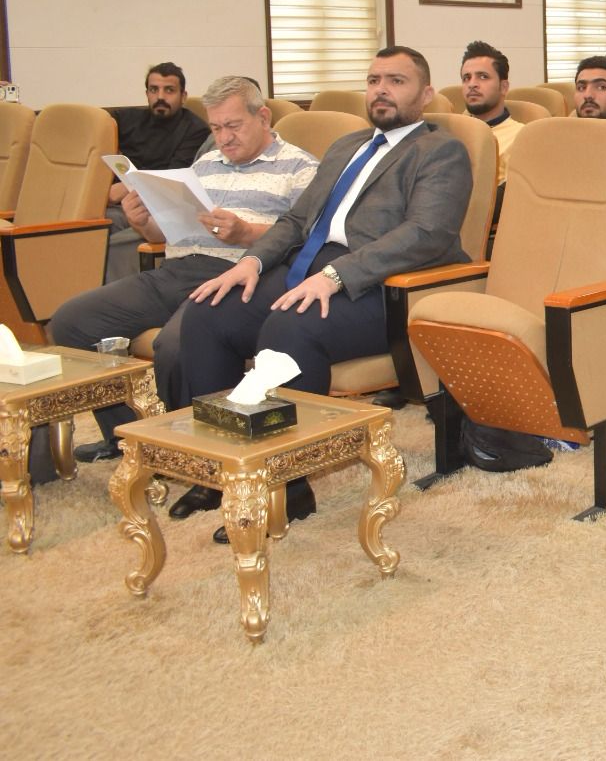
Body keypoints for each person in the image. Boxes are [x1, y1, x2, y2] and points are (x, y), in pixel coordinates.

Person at [180, 47, 472, 543]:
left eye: (396, 81)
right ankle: (223, 472)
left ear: (425, 94)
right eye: (374, 80)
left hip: (381, 285)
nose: (381, 90)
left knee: (288, 331)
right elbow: (296, 220)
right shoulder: (346, 146)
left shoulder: (440, 150)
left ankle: (287, 489)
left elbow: (426, 234)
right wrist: (251, 262)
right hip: (308, 268)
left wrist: (337, 275)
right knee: (208, 311)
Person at [39, 78, 318, 488]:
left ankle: (194, 453)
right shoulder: (204, 165)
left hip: (240, 276)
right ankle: (129, 436)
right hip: (177, 269)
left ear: (263, 117)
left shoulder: (301, 168)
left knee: (176, 344)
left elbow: (307, 240)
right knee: (73, 321)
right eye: (216, 128)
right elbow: (165, 234)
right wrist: (143, 222)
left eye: (233, 126)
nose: (224, 138)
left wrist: (246, 233)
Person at [104, 63, 213, 280]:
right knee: (90, 229)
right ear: (147, 93)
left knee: (104, 246)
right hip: (123, 206)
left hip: (161, 209)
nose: (160, 97)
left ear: (183, 96)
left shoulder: (195, 130)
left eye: (169, 90)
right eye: (154, 90)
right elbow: (99, 128)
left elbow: (171, 178)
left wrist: (125, 187)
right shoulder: (129, 120)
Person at [461, 41, 522, 185]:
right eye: (466, 78)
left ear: (504, 87)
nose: (472, 84)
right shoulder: (453, 131)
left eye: (483, 77)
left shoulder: (520, 137)